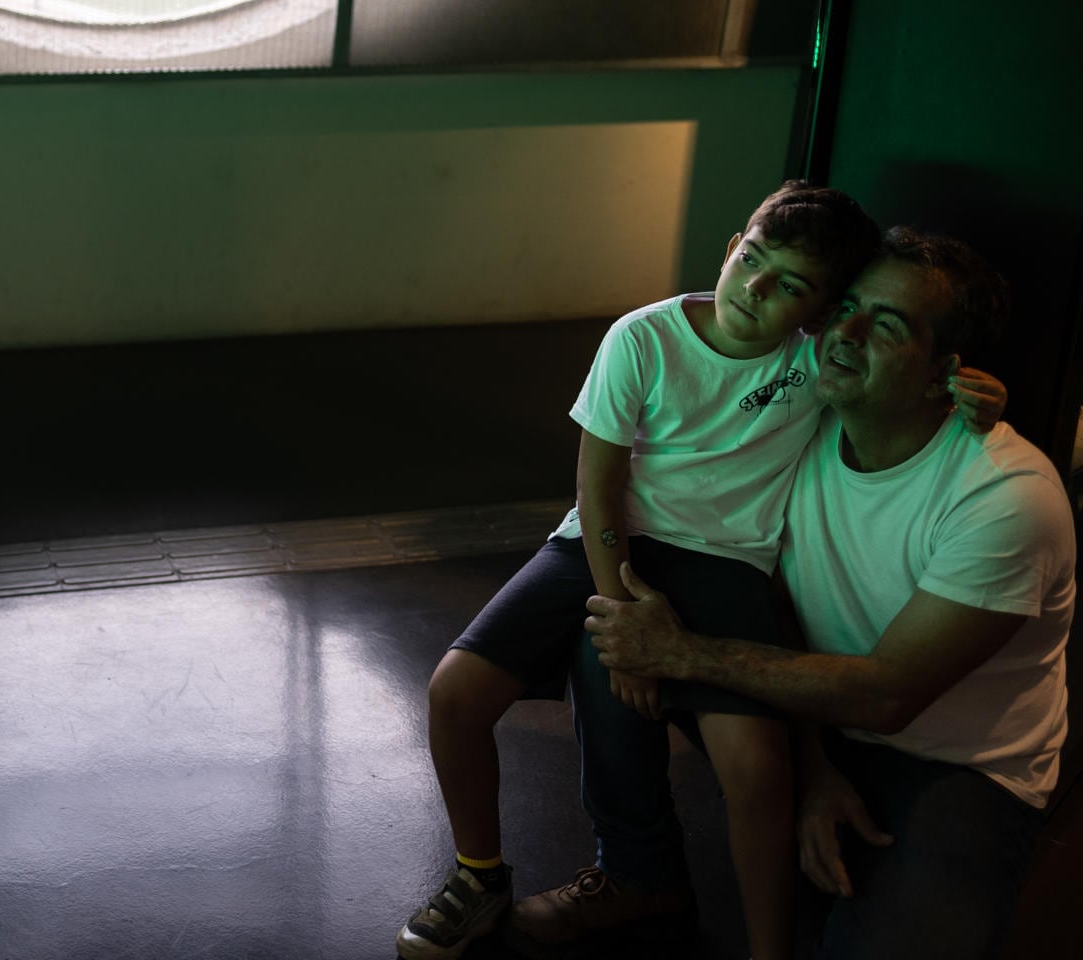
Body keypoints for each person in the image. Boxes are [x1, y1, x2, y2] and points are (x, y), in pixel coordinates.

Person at [396, 184, 1006, 960]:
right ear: (730, 249)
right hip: (606, 542)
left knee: (755, 766)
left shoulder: (816, 359)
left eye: (789, 285)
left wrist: (978, 392)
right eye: (753, 260)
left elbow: (901, 380)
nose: (756, 289)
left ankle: (766, 948)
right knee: (454, 691)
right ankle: (479, 877)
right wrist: (624, 621)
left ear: (817, 313)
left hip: (726, 564)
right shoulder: (642, 338)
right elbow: (598, 486)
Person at [584, 229, 1073, 958]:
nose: (843, 334)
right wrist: (813, 767)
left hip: (956, 765)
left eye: (886, 325)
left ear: (945, 371)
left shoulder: (1006, 498)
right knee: (603, 631)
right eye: (845, 306)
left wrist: (684, 652)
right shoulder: (804, 422)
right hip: (819, 714)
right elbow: (779, 607)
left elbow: (886, 696)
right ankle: (636, 874)